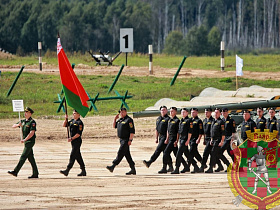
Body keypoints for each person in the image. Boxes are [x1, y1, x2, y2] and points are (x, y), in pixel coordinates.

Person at [8, 107, 39, 178]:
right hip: (26, 142)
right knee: (31, 158)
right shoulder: (23, 121)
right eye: (25, 112)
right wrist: (18, 125)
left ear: (30, 114)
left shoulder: (32, 122)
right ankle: (35, 173)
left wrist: (24, 139)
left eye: (27, 112)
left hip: (30, 141)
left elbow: (32, 133)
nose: (25, 114)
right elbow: (13, 126)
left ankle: (16, 171)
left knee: (23, 156)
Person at [158, 107, 189, 174]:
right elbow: (168, 130)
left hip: (175, 139)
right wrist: (167, 138)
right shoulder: (170, 120)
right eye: (170, 111)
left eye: (172, 111)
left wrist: (177, 140)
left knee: (167, 152)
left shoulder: (177, 120)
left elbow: (178, 132)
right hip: (172, 139)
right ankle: (186, 166)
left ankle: (165, 168)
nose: (171, 112)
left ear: (175, 112)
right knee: (177, 154)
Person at [106, 108, 136, 175]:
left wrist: (130, 140)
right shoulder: (120, 120)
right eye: (120, 112)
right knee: (127, 155)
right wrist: (115, 119)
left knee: (120, 153)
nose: (121, 113)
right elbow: (114, 126)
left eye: (122, 112)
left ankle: (113, 166)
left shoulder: (129, 120)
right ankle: (133, 169)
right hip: (121, 139)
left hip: (126, 140)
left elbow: (132, 131)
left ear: (126, 112)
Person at [171, 108, 198, 174]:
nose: (183, 113)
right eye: (182, 112)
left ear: (187, 113)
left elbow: (190, 132)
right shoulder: (181, 120)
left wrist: (188, 140)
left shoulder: (189, 121)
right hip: (181, 139)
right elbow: (179, 132)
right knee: (187, 154)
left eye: (184, 112)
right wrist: (177, 140)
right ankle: (195, 165)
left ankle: (177, 168)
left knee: (179, 154)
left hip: (185, 139)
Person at [60, 110, 86, 177]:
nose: (73, 115)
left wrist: (71, 138)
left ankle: (67, 170)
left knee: (73, 155)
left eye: (75, 113)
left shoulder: (79, 123)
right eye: (73, 113)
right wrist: (66, 119)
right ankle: (83, 170)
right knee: (78, 156)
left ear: (78, 114)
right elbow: (64, 125)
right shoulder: (72, 121)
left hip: (77, 141)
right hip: (73, 141)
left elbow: (78, 134)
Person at [205, 108, 229, 173]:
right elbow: (212, 132)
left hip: (218, 140)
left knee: (213, 153)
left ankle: (210, 167)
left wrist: (222, 141)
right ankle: (228, 165)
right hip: (213, 140)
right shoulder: (213, 121)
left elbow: (223, 133)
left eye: (217, 113)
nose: (216, 114)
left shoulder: (221, 122)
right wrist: (211, 140)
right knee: (218, 154)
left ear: (220, 114)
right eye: (215, 112)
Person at [185, 108, 203, 173]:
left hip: (195, 139)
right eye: (192, 112)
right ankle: (202, 162)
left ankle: (189, 165)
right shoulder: (189, 120)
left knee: (191, 152)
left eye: (194, 112)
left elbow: (201, 131)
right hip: (190, 139)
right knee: (195, 152)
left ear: (197, 113)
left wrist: (199, 139)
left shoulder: (199, 121)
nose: (193, 113)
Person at [198, 108, 214, 173]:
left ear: (210, 112)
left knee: (205, 152)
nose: (206, 113)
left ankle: (203, 166)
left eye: (207, 112)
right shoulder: (204, 120)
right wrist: (204, 139)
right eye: (205, 112)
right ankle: (219, 165)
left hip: (211, 138)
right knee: (211, 153)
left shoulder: (212, 120)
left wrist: (211, 139)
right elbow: (204, 131)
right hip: (206, 138)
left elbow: (212, 131)